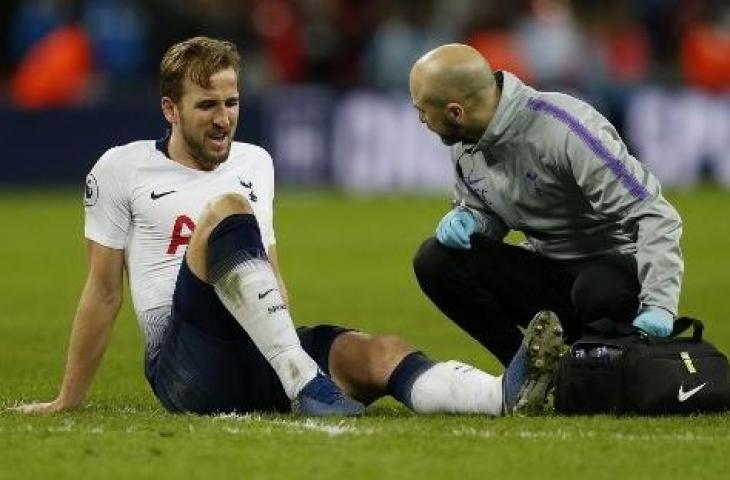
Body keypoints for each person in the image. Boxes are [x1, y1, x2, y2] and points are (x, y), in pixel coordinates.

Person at [13, 37, 562, 418]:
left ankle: (504, 396)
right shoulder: (120, 168)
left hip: (265, 350)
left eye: (231, 102)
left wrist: (289, 343)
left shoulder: (256, 161)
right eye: (206, 105)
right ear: (170, 110)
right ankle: (305, 382)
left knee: (381, 352)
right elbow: (104, 292)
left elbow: (269, 270)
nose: (223, 118)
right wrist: (68, 398)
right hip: (185, 364)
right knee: (228, 209)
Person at [409, 44, 683, 367]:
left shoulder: (567, 130)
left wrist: (660, 306)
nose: (421, 119)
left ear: (455, 112)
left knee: (597, 291)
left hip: (614, 271)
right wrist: (471, 220)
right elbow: (486, 211)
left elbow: (653, 211)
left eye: (422, 110)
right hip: (549, 271)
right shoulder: (467, 143)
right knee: (435, 260)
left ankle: (614, 360)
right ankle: (527, 372)